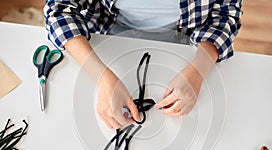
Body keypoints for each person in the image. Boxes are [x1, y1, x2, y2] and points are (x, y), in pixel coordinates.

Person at [44, 0, 242, 129]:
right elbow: (59, 10)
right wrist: (101, 77)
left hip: (187, 45)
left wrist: (198, 71)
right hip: (105, 39)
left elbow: (226, 16)